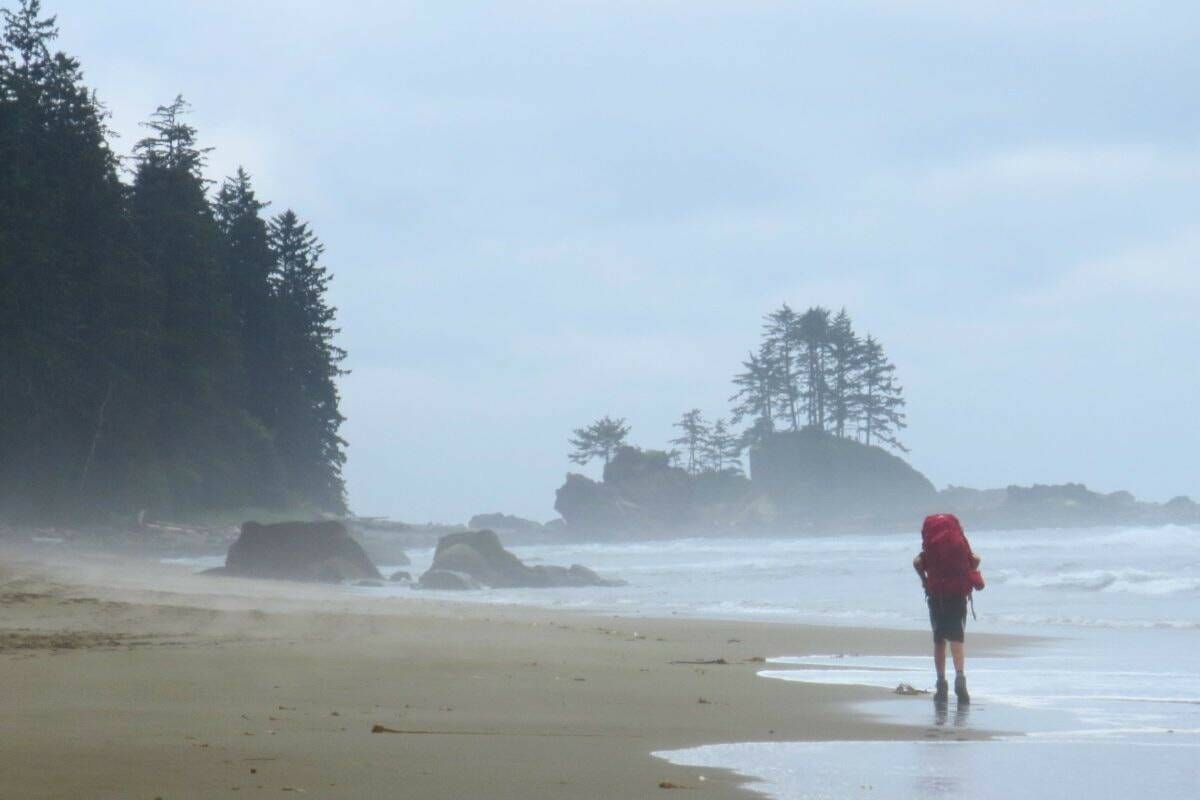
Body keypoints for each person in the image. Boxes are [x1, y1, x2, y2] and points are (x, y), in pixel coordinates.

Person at [912, 513, 981, 703]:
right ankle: (960, 678)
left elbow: (917, 563)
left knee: (939, 640)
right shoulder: (958, 547)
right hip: (958, 595)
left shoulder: (931, 549)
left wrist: (925, 581)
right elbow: (976, 559)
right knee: (957, 638)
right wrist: (970, 572)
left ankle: (941, 683)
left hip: (936, 596)